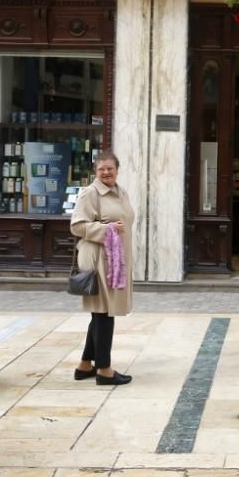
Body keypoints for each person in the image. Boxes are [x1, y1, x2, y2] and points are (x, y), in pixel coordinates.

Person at [70, 150, 134, 385]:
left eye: (110, 168)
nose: (106, 172)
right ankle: (104, 370)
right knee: (104, 314)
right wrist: (106, 230)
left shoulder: (120, 192)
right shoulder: (91, 193)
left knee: (100, 313)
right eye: (101, 169)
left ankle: (85, 365)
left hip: (115, 260)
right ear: (95, 172)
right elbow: (77, 226)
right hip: (99, 259)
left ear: (117, 169)